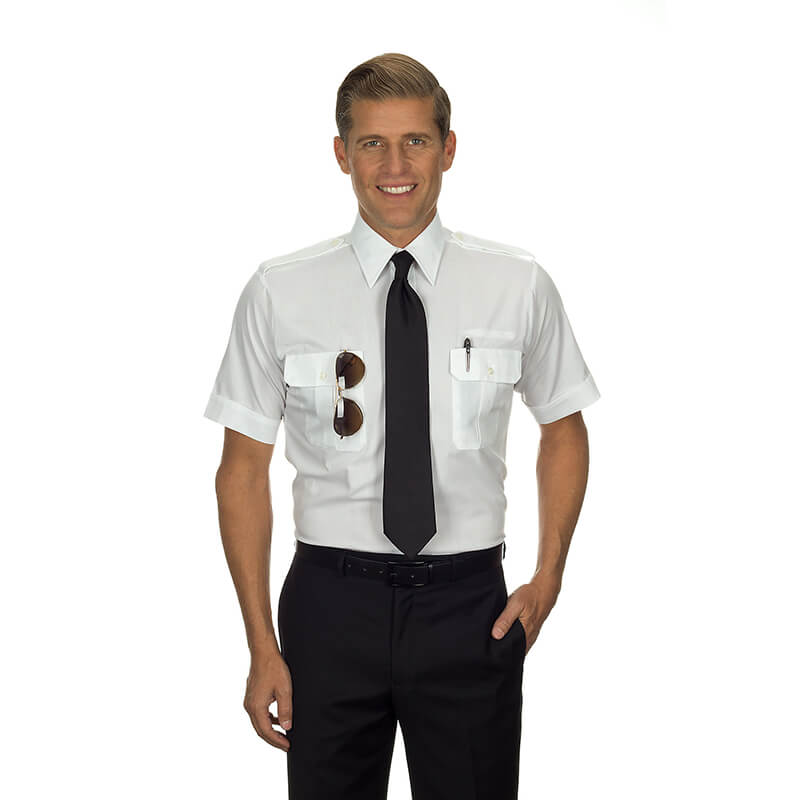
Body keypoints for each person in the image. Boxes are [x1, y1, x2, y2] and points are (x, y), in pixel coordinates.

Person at [203, 52, 600, 800]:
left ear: (448, 148)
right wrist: (260, 641)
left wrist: (548, 576)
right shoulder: (278, 291)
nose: (395, 165)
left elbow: (564, 427)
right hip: (329, 607)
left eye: (415, 140)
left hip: (469, 609)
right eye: (372, 143)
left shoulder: (517, 284)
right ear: (341, 153)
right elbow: (242, 469)